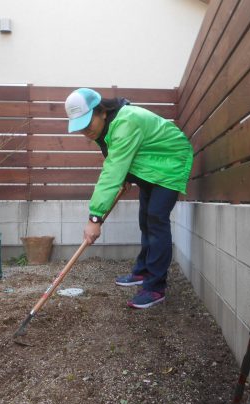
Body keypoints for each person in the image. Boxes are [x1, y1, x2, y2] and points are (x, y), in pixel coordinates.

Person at [64, 88, 193, 309]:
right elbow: (117, 158)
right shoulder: (106, 127)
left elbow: (113, 169)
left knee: (156, 219)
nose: (85, 131)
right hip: (150, 165)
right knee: (145, 219)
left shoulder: (126, 122)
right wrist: (127, 176)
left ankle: (155, 288)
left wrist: (95, 218)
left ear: (102, 111)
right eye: (81, 127)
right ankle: (143, 272)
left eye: (87, 123)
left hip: (171, 162)